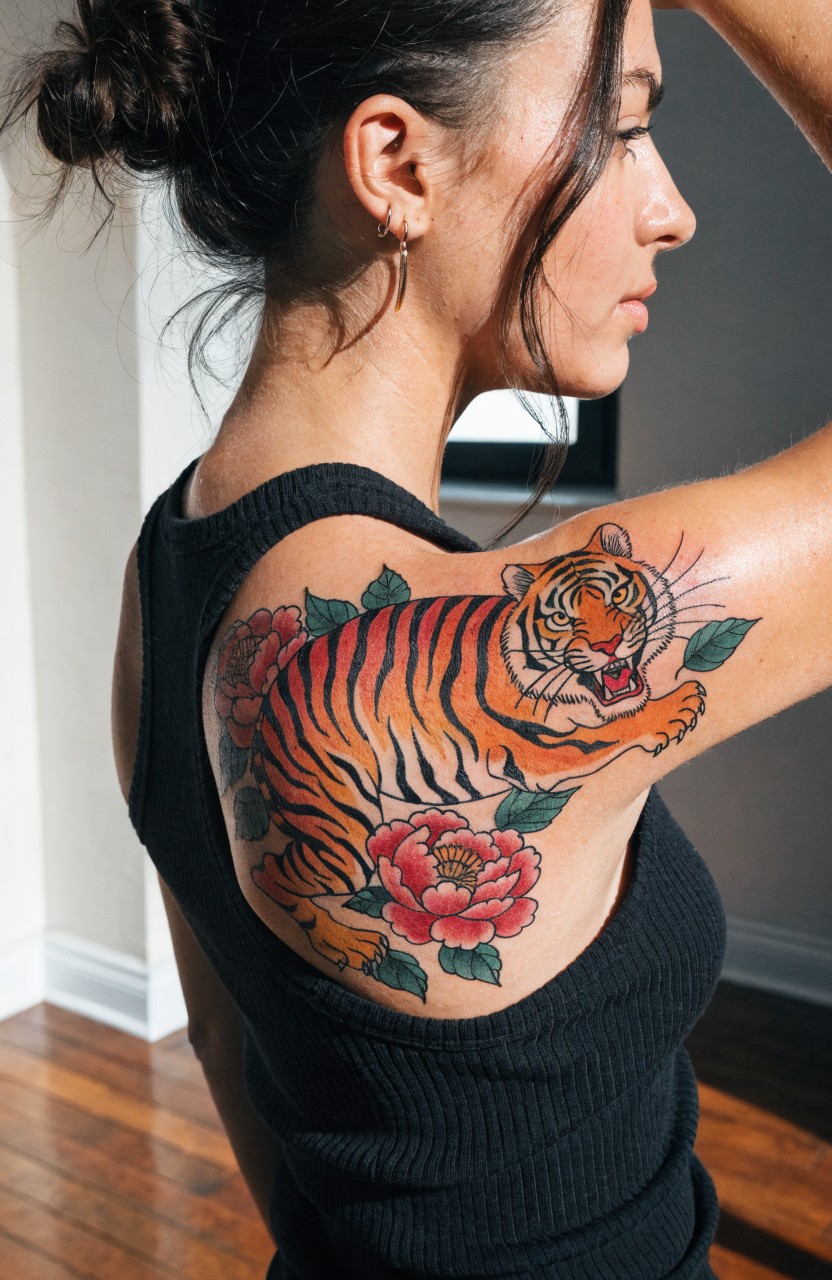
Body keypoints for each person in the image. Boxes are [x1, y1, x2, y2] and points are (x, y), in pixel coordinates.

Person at [3, 0, 829, 1275]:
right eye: (623, 125)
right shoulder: (449, 640)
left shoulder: (171, 554)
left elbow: (236, 1051)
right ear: (396, 164)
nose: (671, 210)